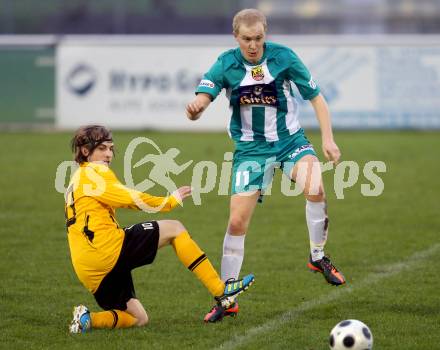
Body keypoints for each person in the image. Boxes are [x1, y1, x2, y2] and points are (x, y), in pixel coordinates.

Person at [186, 8, 345, 323]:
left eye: (258, 38)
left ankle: (317, 257)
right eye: (247, 39)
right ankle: (226, 297)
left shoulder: (284, 57)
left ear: (265, 35)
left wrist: (328, 139)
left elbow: (317, 98)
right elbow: (204, 96)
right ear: (236, 37)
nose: (253, 45)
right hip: (251, 152)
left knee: (315, 186)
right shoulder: (226, 63)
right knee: (237, 223)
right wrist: (196, 108)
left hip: (289, 142)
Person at [65, 125, 255, 333]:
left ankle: (88, 319)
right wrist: (168, 201)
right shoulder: (95, 172)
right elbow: (132, 199)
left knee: (138, 318)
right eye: (102, 148)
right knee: (174, 228)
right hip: (106, 249)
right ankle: (222, 292)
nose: (109, 154)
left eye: (111, 148)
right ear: (85, 151)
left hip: (87, 268)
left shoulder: (76, 179)